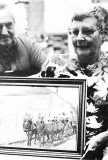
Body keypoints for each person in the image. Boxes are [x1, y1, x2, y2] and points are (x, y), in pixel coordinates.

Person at [42, 5, 108, 160]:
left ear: (105, 34)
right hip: (64, 149)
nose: (79, 37)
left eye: (87, 31)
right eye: (74, 32)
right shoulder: (56, 65)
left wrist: (104, 137)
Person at [0, 1, 47, 125]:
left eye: (9, 25)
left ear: (14, 24)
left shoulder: (28, 46)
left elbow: (51, 73)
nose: (5, 32)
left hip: (30, 117)